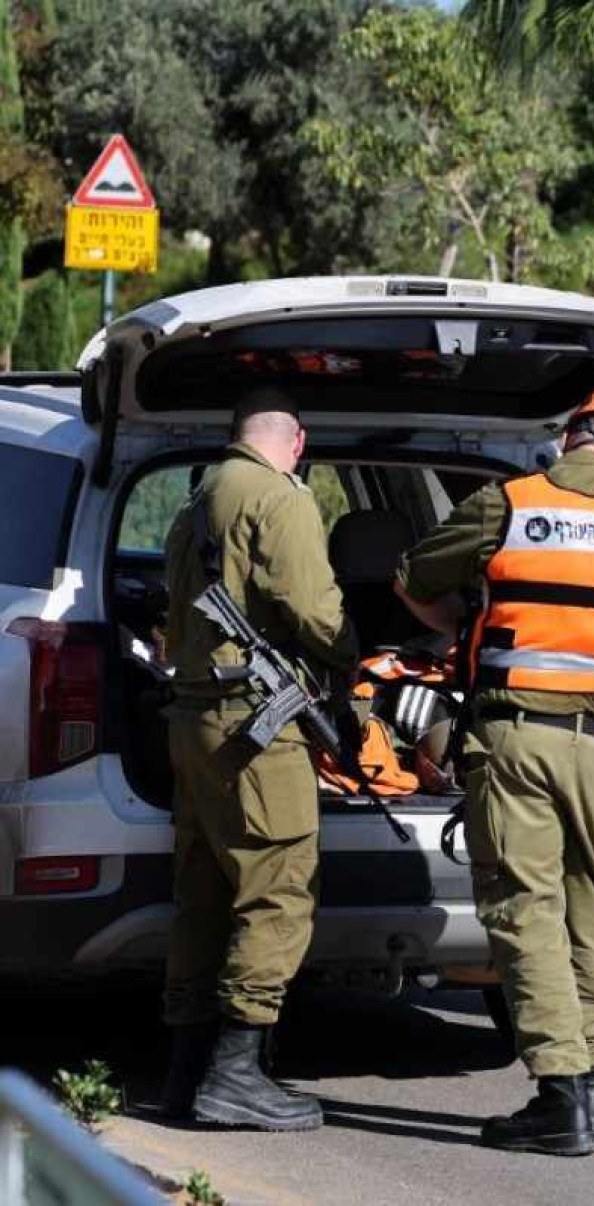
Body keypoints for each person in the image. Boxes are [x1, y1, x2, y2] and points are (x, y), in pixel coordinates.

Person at [395, 385, 594, 1156]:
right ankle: (589, 1080)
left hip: (518, 742)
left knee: (524, 910)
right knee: (590, 909)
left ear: (571, 436)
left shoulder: (508, 503)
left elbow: (412, 579)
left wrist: (466, 628)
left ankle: (561, 1092)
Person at [159, 391, 359, 1132]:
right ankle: (238, 1074)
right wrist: (354, 653)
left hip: (195, 719)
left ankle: (185, 1073)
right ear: (296, 439)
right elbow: (312, 608)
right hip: (255, 727)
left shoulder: (197, 499)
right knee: (276, 890)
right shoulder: (281, 499)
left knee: (204, 890)